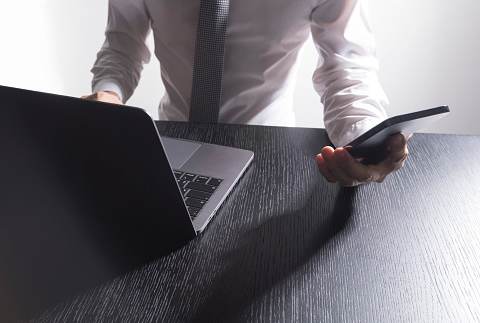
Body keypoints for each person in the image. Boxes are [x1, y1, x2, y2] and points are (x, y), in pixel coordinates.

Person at [82, 0, 409, 187]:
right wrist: (108, 96)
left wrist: (365, 141)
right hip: (171, 148)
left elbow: (345, 66)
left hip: (271, 156)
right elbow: (122, 45)